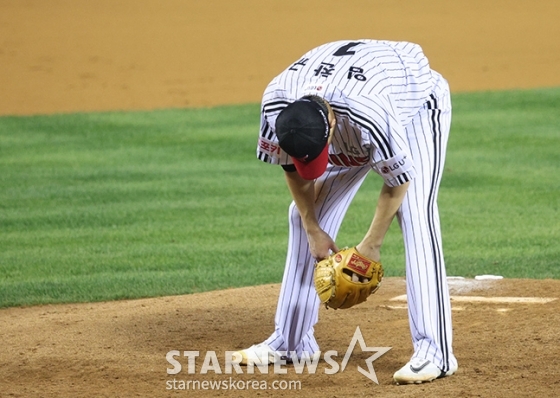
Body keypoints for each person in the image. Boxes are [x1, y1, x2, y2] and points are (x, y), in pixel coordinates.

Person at [234, 39, 458, 384]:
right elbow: (292, 171)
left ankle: (435, 353)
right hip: (347, 105)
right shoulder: (276, 104)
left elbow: (398, 183)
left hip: (413, 106)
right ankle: (291, 342)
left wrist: (372, 244)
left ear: (333, 127)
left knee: (415, 214)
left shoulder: (369, 113)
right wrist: (313, 227)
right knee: (302, 215)